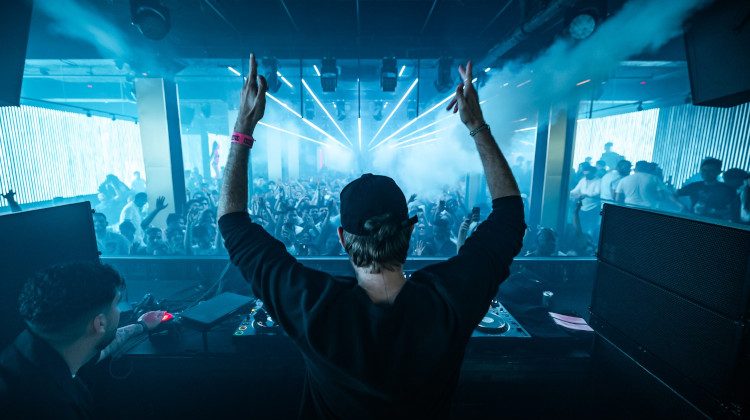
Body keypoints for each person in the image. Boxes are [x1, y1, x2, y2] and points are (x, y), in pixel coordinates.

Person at [218, 56, 524, 418]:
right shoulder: (448, 300)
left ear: (342, 238)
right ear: (410, 231)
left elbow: (232, 222)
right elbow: (510, 216)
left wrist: (243, 127)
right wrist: (477, 126)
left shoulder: (313, 306)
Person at [0, 262, 165, 419]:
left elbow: (97, 348)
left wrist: (142, 325)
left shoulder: (34, 347)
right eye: (116, 305)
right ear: (99, 323)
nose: (119, 311)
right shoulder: (52, 407)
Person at [569, 163, 601, 238]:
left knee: (592, 226)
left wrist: (585, 195)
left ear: (593, 173)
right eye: (585, 174)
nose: (586, 176)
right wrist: (570, 193)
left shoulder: (599, 181)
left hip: (593, 207)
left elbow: (597, 193)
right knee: (582, 225)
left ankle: (590, 240)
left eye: (588, 174)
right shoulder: (583, 180)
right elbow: (576, 190)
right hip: (583, 207)